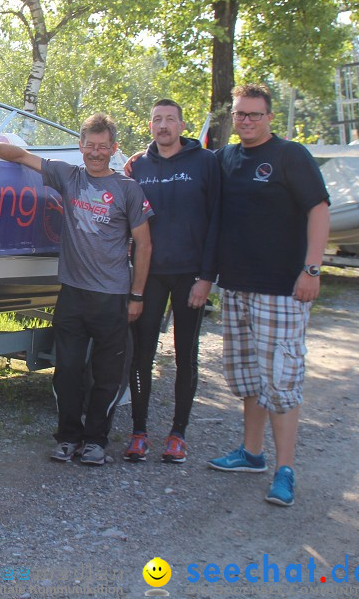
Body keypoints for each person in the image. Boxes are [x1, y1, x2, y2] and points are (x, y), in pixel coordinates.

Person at [0, 113, 152, 466]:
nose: (96, 153)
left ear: (112, 149)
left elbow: (145, 245)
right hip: (73, 293)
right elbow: (20, 156)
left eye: (102, 147)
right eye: (90, 146)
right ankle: (68, 438)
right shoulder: (69, 176)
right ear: (80, 147)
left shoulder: (128, 189)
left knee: (107, 375)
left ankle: (96, 441)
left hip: (112, 297)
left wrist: (137, 295)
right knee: (67, 371)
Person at [207, 83, 330, 508]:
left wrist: (312, 268)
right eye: (241, 114)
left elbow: (319, 209)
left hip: (282, 288)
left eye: (255, 115)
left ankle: (285, 470)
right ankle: (252, 453)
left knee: (281, 381)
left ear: (269, 117)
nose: (246, 121)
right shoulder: (226, 158)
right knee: (247, 377)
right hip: (236, 286)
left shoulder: (290, 155)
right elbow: (190, 166)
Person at [123, 100, 220, 464]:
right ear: (150, 126)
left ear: (182, 125)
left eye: (170, 119)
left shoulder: (205, 162)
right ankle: (138, 432)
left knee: (185, 356)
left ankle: (178, 433)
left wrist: (207, 278)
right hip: (149, 274)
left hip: (190, 276)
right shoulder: (139, 166)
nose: (163, 126)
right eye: (157, 120)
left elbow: (217, 221)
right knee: (141, 354)